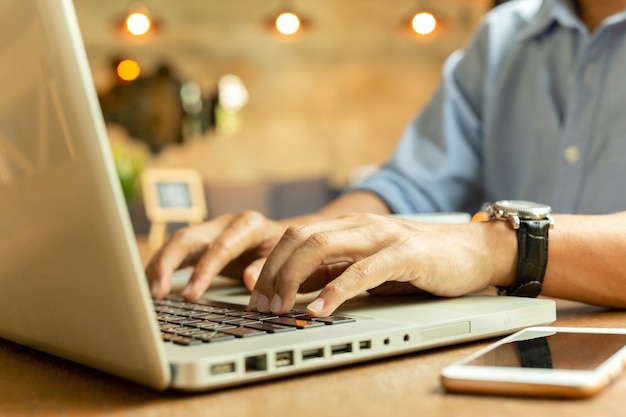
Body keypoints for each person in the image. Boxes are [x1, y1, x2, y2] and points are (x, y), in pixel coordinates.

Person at [146, 0, 626, 317]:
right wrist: (313, 236)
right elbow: (411, 187)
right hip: (503, 344)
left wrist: (493, 248)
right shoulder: (503, 36)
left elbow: (476, 245)